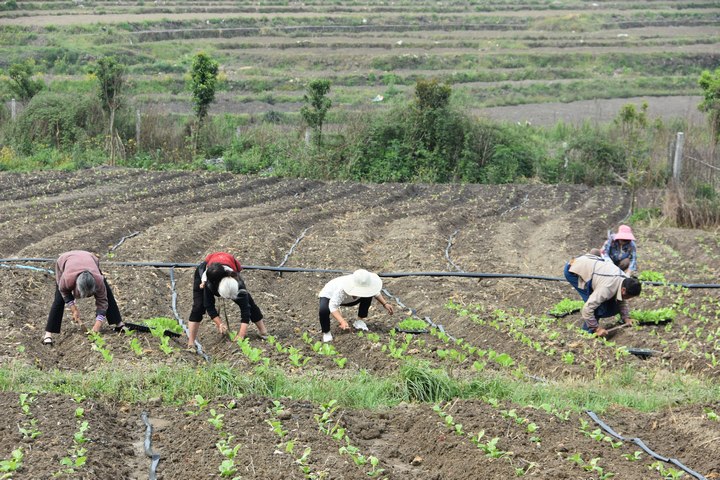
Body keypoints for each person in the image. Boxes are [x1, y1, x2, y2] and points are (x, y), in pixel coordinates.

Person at [187, 251, 267, 349]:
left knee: (249, 301)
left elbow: (246, 308)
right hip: (208, 271)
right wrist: (219, 324)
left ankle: (263, 332)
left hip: (223, 265)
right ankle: (191, 343)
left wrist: (241, 335)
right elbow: (209, 305)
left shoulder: (238, 283)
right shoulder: (208, 282)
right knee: (198, 307)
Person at [43, 250, 124, 345]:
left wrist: (98, 324)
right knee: (58, 300)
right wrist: (74, 309)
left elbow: (102, 302)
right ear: (76, 285)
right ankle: (48, 335)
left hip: (90, 259)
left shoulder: (98, 280)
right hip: (64, 260)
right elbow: (64, 291)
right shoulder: (67, 279)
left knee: (107, 294)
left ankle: (119, 324)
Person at [563, 252, 642, 337]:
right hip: (574, 270)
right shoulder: (606, 288)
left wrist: (626, 318)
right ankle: (586, 334)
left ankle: (590, 330)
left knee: (607, 304)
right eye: (628, 296)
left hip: (591, 267)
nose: (627, 299)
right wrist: (597, 328)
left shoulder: (625, 281)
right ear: (623, 290)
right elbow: (587, 308)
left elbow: (622, 299)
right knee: (597, 307)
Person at [318, 269, 394, 342]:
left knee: (367, 295)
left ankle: (359, 321)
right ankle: (326, 332)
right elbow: (333, 306)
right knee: (323, 310)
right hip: (329, 296)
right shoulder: (342, 287)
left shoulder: (365, 283)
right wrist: (342, 321)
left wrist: (385, 304)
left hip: (351, 300)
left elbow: (374, 292)